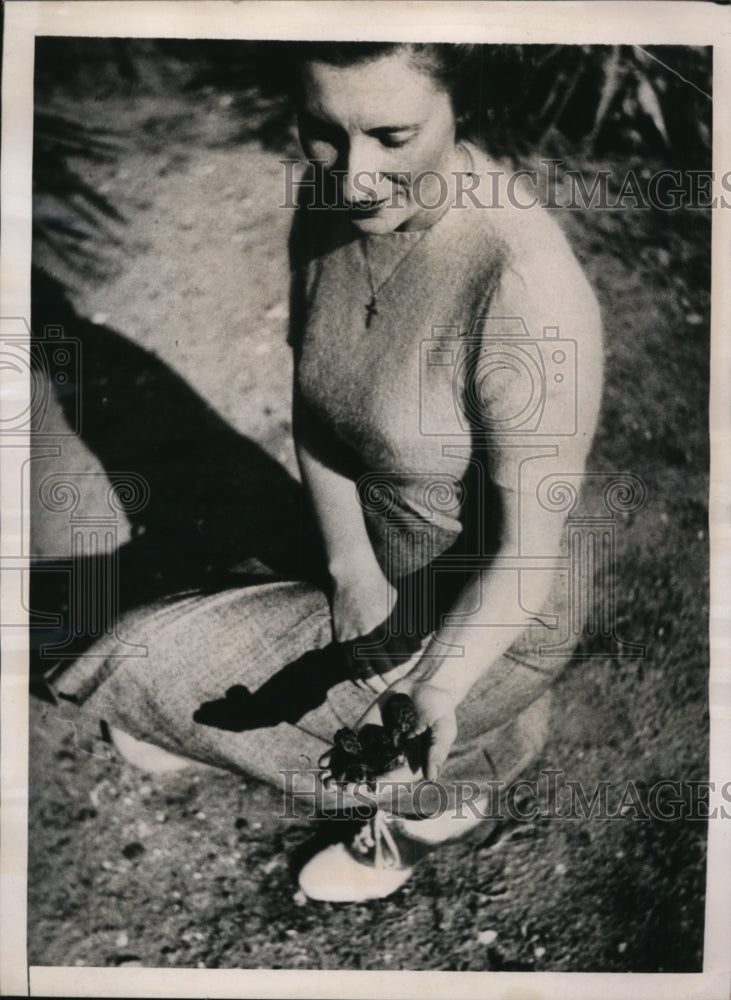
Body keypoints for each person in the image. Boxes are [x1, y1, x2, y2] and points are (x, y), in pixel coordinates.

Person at [48, 42, 603, 903]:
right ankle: (472, 749)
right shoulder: (325, 195)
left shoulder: (525, 290)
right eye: (323, 132)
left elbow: (524, 560)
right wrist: (350, 571)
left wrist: (436, 684)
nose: (353, 176)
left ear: (467, 114)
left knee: (116, 651)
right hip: (367, 549)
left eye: (392, 135)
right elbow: (315, 404)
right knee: (174, 664)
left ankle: (437, 797)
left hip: (490, 611)